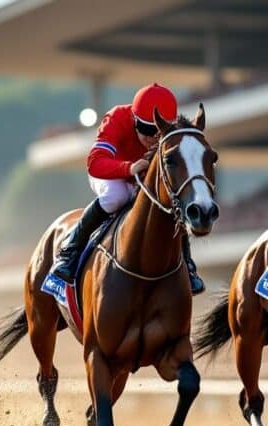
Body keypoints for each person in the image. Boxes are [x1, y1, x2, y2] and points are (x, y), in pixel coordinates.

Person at [50, 83, 205, 294]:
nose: (152, 138)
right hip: (112, 173)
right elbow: (95, 162)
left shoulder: (173, 133)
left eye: (158, 131)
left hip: (143, 179)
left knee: (172, 199)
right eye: (147, 130)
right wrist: (129, 168)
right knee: (117, 196)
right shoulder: (117, 118)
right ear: (134, 120)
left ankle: (188, 265)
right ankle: (69, 252)